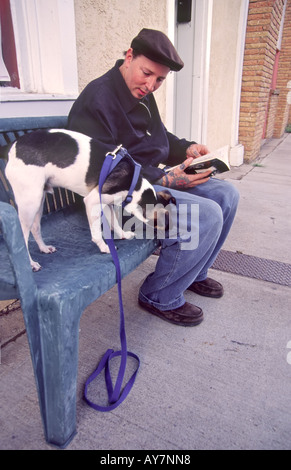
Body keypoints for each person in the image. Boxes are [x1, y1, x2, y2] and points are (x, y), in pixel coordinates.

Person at [67, 28, 239, 327]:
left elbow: (159, 139)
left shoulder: (142, 95)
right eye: (146, 73)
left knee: (226, 196)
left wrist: (187, 148)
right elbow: (103, 170)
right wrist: (167, 180)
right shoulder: (97, 99)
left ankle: (193, 273)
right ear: (129, 57)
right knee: (204, 216)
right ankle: (158, 295)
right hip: (115, 209)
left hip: (145, 188)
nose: (151, 85)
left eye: (159, 79)